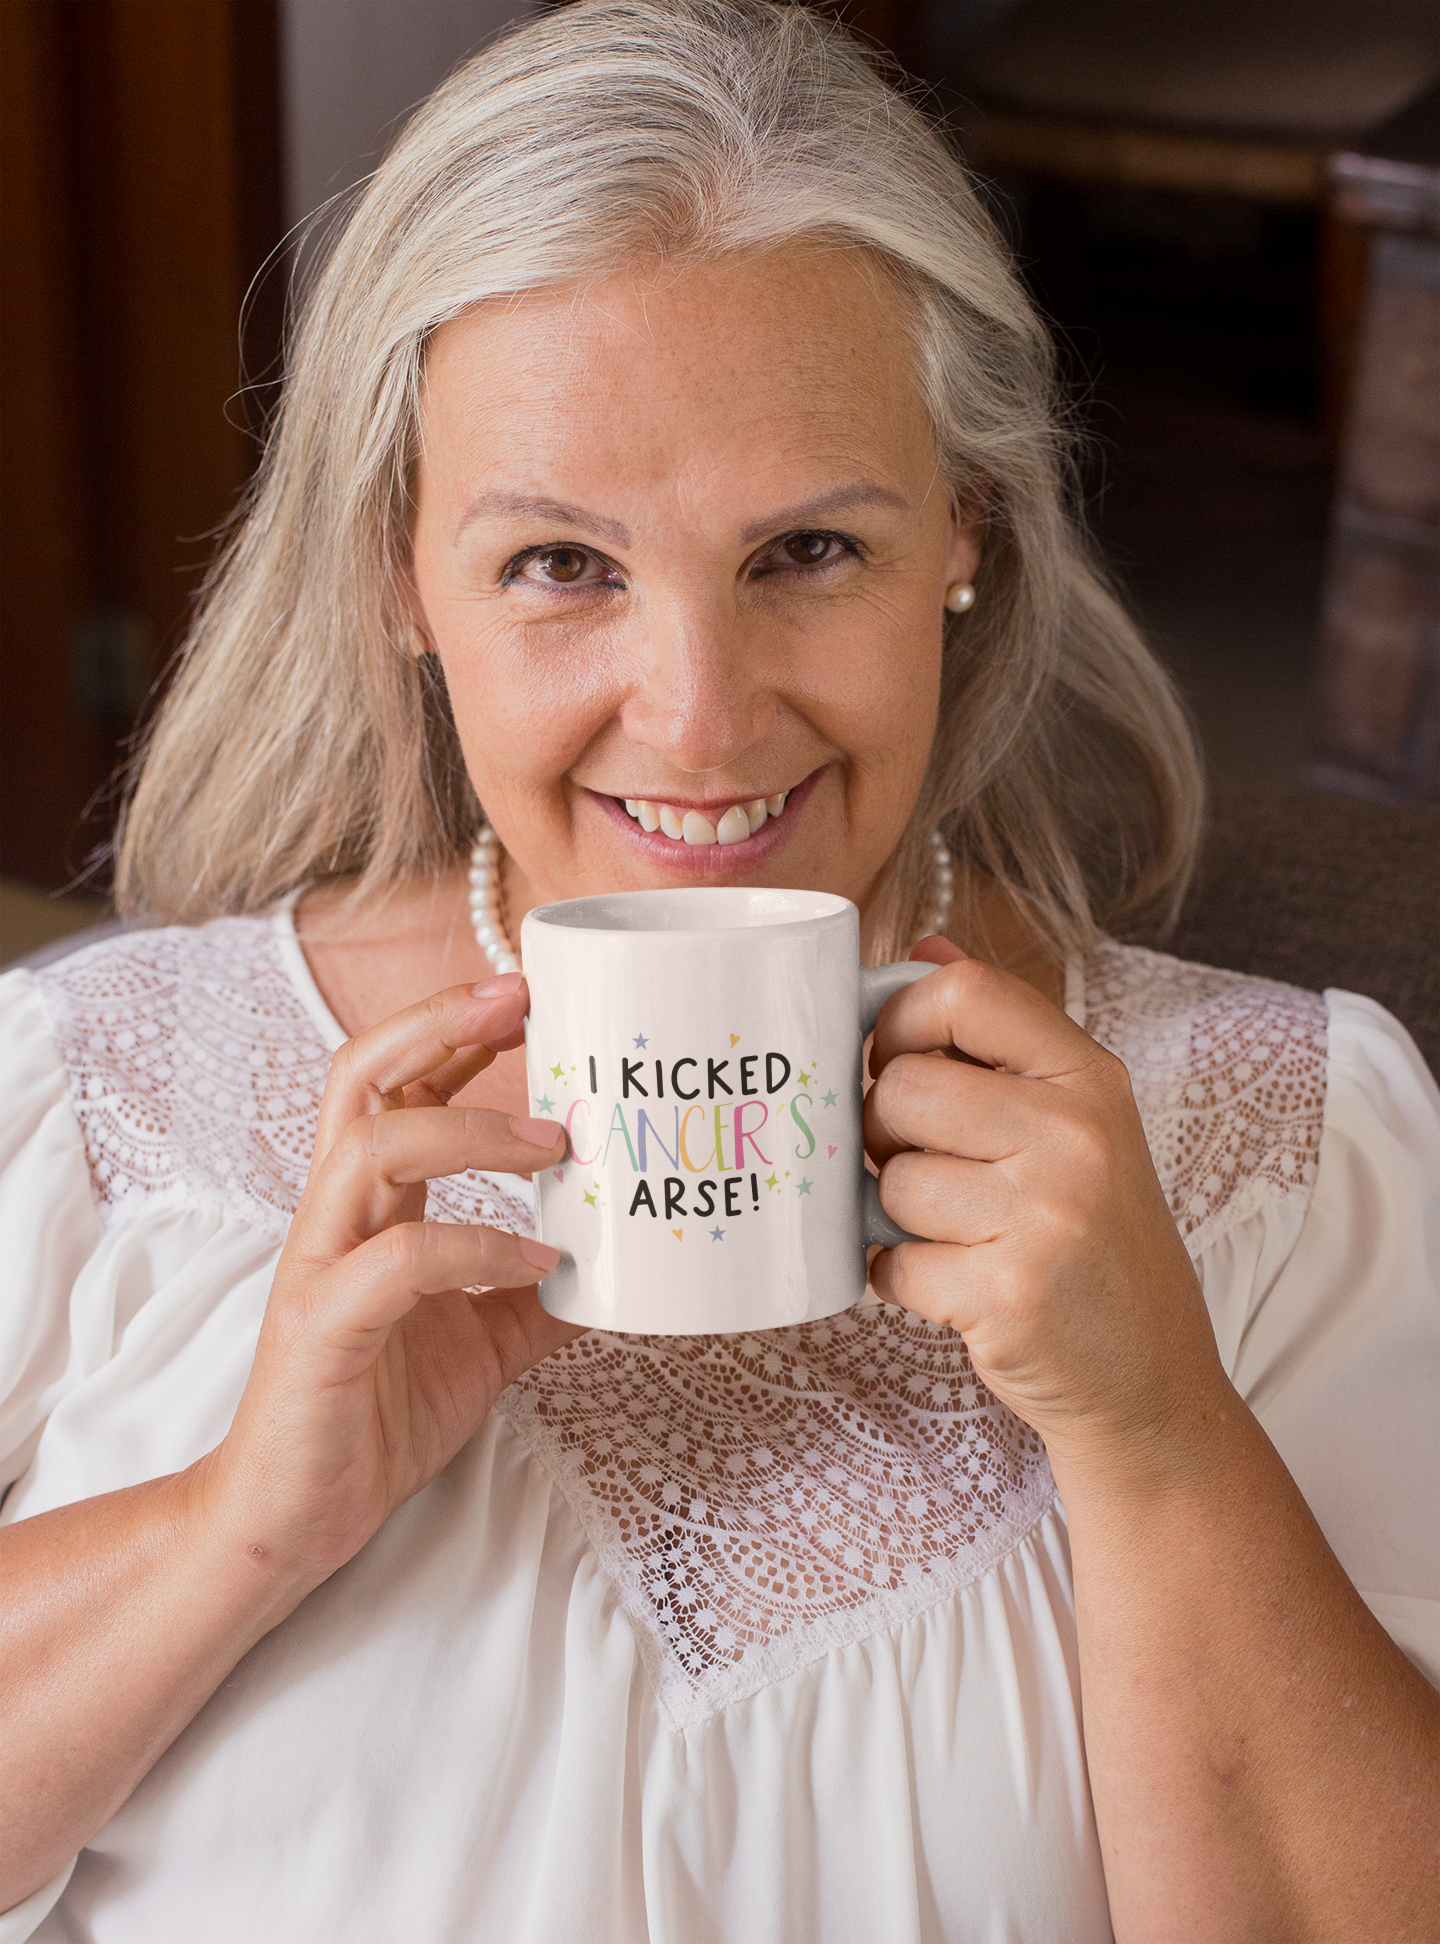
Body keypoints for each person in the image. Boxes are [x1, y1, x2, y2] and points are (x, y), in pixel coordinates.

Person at [1, 3, 1435, 1938]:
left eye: (810, 549)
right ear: (399, 581)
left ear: (966, 537)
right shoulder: (82, 1090)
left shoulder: (1298, 1136)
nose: (695, 721)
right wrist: (234, 1524)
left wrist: (1157, 1428)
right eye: (559, 566)